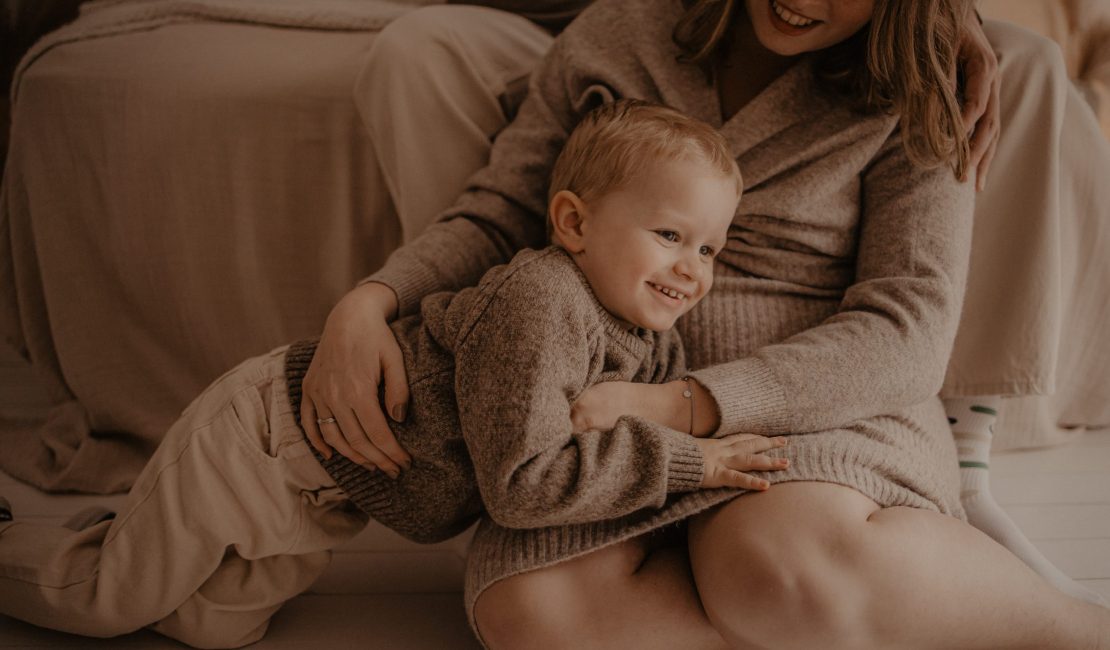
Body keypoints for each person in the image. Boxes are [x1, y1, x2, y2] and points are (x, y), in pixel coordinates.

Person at [307, 0, 1110, 647]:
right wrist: (372, 299)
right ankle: (834, 624)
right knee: (528, 615)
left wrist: (687, 405)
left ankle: (1077, 632)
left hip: (821, 404)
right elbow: (499, 214)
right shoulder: (619, 32)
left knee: (773, 568)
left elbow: (908, 330)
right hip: (605, 408)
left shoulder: (922, 85)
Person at [0, 99, 789, 648]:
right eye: (669, 235)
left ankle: (115, 539)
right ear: (574, 223)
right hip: (264, 443)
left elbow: (615, 442)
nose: (692, 268)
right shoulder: (541, 303)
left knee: (216, 625)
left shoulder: (652, 347)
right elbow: (523, 487)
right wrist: (692, 461)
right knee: (104, 600)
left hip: (330, 500)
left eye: (709, 248)